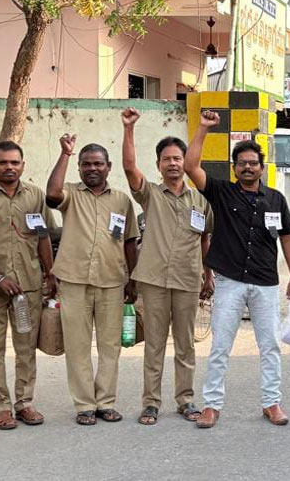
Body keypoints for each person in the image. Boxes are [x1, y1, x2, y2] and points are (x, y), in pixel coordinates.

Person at [185, 110, 290, 428]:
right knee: (221, 346)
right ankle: (211, 406)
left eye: (253, 163)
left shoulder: (275, 199)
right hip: (230, 282)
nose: (247, 167)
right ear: (235, 168)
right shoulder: (222, 192)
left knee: (270, 345)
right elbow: (191, 166)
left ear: (261, 167)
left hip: (265, 282)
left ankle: (272, 403)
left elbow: (287, 238)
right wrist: (204, 128)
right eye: (242, 163)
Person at [119, 108, 213, 426]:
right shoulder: (149, 195)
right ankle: (151, 403)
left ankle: (185, 400)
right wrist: (129, 128)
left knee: (186, 345)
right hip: (154, 280)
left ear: (185, 163)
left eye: (177, 158)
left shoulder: (200, 200)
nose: (173, 163)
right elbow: (129, 167)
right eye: (166, 159)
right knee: (155, 344)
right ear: (158, 164)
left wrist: (208, 275)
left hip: (188, 279)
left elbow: (205, 239)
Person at [46, 136, 139, 426]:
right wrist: (65, 154)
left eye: (98, 164)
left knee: (110, 346)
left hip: (112, 281)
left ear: (109, 166)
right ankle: (85, 405)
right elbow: (52, 194)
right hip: (74, 280)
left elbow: (129, 241)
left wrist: (132, 279)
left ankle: (105, 403)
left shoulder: (121, 200)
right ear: (79, 167)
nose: (92, 169)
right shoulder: (71, 194)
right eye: (86, 164)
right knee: (77, 346)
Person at [0, 140, 56, 431]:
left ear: (23, 165)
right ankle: (2, 407)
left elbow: (43, 236)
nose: (9, 167)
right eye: (3, 162)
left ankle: (24, 403)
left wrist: (50, 273)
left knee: (26, 347)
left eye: (14, 162)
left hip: (28, 286)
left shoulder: (35, 195)